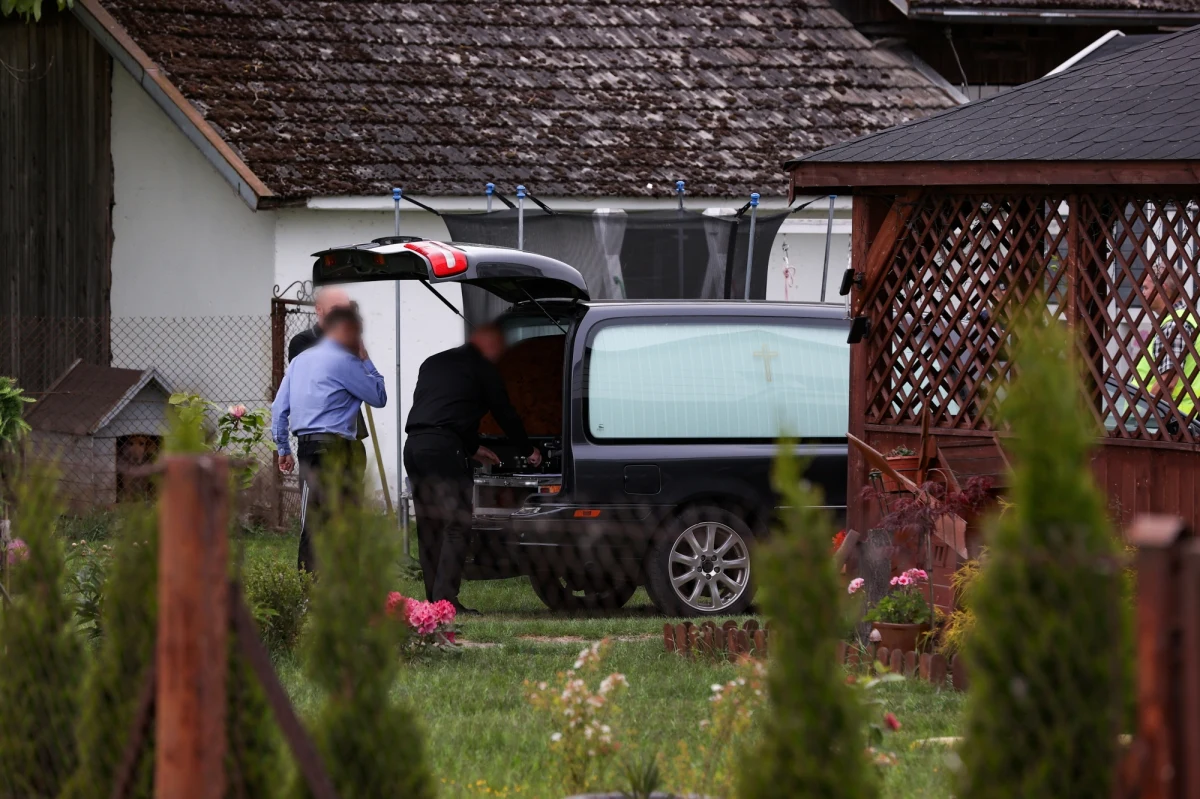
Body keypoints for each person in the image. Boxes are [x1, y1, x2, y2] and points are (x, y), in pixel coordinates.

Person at [404, 324, 542, 613]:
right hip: (444, 450)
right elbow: (505, 413)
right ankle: (446, 601)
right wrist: (528, 450)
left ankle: (433, 600)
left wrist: (471, 448)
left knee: (430, 526)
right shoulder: (483, 368)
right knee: (457, 523)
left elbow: (444, 410)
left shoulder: (433, 362)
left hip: (415, 447)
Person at [272, 307, 386, 572]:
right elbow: (379, 396)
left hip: (309, 449)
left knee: (312, 523)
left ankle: (308, 593)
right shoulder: (347, 362)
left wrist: (282, 448)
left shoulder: (299, 361)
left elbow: (279, 409)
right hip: (341, 450)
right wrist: (366, 360)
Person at [289, 287, 369, 443]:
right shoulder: (303, 341)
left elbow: (362, 382)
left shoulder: (349, 341)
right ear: (319, 309)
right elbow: (311, 381)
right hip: (320, 433)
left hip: (351, 431)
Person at [1136, 262, 1200, 427]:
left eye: (1145, 288)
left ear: (1162, 288)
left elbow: (1167, 382)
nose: (1141, 293)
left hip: (1174, 422)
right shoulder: (1187, 318)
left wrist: (1141, 416)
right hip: (1184, 418)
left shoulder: (1174, 324)